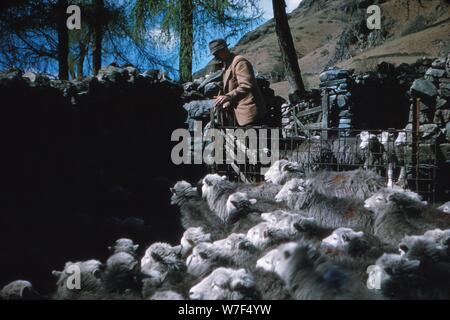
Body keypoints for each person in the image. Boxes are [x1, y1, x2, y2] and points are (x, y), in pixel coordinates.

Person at [209, 38, 267, 127]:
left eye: (217, 53)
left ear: (224, 49)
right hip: (240, 115)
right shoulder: (227, 64)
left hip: (250, 113)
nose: (216, 57)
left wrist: (228, 97)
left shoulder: (239, 62)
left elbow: (246, 85)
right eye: (215, 55)